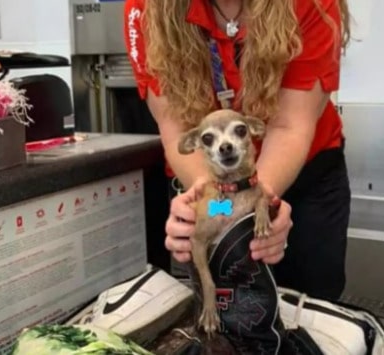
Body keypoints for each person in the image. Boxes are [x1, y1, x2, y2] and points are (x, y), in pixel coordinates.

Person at [124, 0, 352, 301]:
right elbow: (176, 128)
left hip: (303, 180)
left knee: (308, 305)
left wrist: (258, 203)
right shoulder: (147, 8)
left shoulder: (313, 4)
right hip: (205, 177)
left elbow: (288, 126)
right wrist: (217, 206)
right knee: (222, 305)